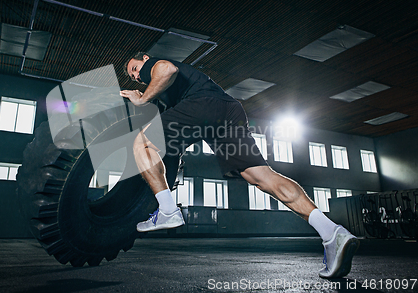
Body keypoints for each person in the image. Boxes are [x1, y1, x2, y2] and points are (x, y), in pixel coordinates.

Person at [119, 52, 359, 278]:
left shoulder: (156, 65)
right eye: (133, 76)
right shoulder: (168, 96)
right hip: (228, 110)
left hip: (204, 106)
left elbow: (167, 69)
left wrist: (142, 100)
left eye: (136, 68)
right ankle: (331, 232)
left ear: (146, 59)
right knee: (261, 177)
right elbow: (176, 129)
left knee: (140, 142)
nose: (137, 76)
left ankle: (168, 211)